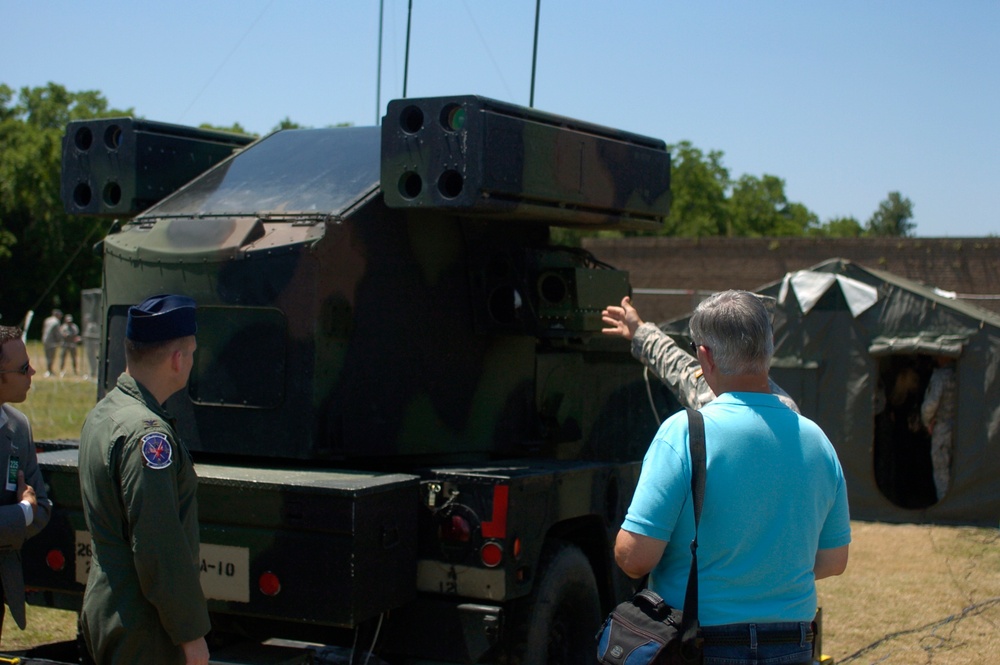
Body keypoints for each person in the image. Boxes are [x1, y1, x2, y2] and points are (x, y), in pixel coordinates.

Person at [614, 290, 850, 665]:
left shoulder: (686, 432)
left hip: (702, 642)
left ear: (704, 356)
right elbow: (834, 561)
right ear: (768, 350)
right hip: (792, 643)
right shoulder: (817, 440)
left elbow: (634, 558)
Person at [78, 295, 210, 665]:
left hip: (112, 606)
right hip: (144, 624)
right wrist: (191, 634)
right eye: (192, 352)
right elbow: (157, 543)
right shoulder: (147, 433)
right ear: (177, 359)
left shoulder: (106, 413)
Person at [601, 295, 800, 412]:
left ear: (706, 357)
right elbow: (676, 365)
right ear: (770, 345)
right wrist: (639, 331)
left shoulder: (687, 425)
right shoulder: (792, 420)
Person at [0, 326, 52, 640]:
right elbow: (32, 511)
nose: (32, 371)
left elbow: (42, 507)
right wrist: (21, 515)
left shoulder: (18, 427)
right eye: (23, 368)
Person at [921, 356, 957, 500]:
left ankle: (945, 505)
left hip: (941, 428)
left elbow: (930, 405)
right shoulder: (962, 373)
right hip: (962, 429)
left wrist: (926, 422)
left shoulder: (941, 376)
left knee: (941, 470)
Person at [41, 308, 63, 377]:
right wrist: (60, 340)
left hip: (45, 340)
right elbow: (57, 333)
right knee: (51, 356)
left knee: (47, 356)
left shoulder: (47, 320)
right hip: (52, 341)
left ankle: (48, 370)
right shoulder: (56, 322)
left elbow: (43, 329)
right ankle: (49, 371)